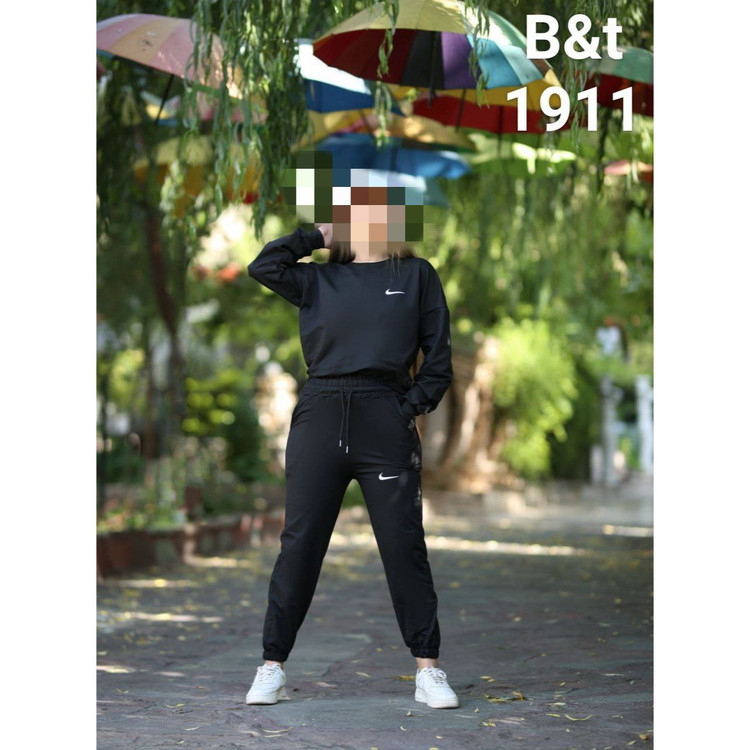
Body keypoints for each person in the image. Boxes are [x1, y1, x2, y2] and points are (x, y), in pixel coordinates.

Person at [244, 186, 458, 709]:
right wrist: (315, 236)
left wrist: (408, 408)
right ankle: (272, 665)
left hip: (385, 417)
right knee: (300, 545)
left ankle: (428, 670)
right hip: (320, 415)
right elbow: (263, 266)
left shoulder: (416, 275)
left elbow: (438, 359)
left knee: (404, 545)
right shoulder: (316, 279)